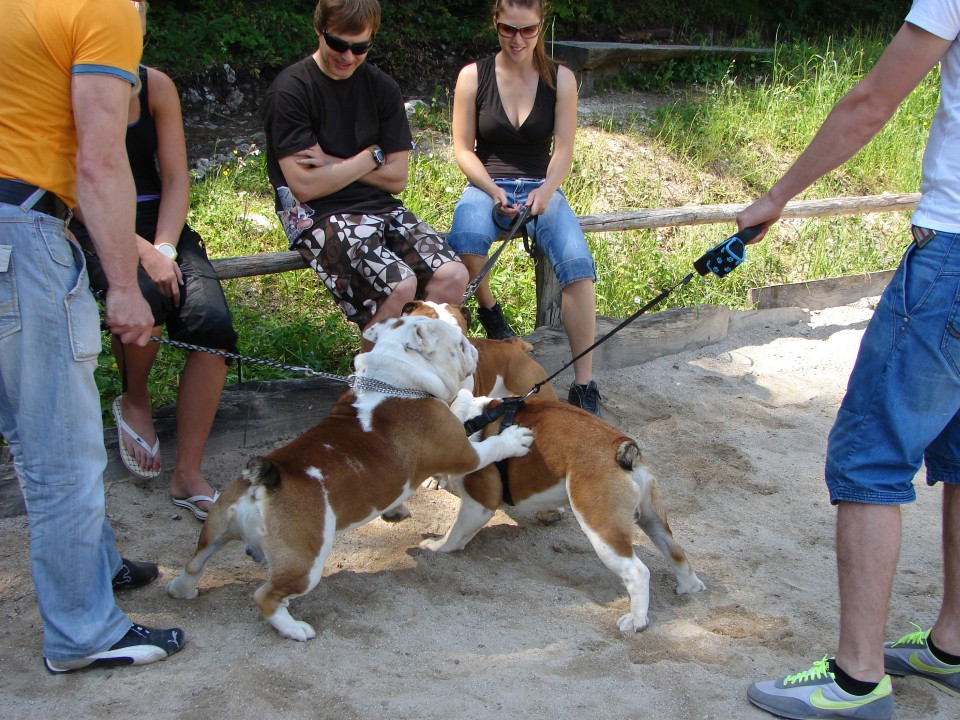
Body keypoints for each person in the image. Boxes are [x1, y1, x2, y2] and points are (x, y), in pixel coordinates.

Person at [737, 1, 960, 717]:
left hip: (953, 255)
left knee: (869, 454)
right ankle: (952, 644)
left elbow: (871, 102)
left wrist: (777, 196)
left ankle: (857, 679)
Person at [0, 0, 183, 672]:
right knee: (64, 457)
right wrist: (126, 288)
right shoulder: (103, 7)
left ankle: (96, 567)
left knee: (30, 433)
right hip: (21, 234)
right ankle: (83, 634)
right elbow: (101, 161)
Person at [70, 0, 238, 521]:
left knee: (212, 324)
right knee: (142, 301)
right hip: (97, 221)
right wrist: (139, 251)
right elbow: (76, 183)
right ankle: (135, 398)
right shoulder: (73, 82)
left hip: (161, 221)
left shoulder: (156, 85)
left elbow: (176, 179)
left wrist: (165, 246)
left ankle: (188, 472)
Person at [260, 0, 468, 351]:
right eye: (337, 43)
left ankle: (421, 372)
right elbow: (305, 186)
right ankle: (371, 386)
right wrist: (371, 157)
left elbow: (397, 178)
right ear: (318, 30)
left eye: (360, 48)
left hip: (378, 206)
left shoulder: (382, 88)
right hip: (315, 215)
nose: (348, 56)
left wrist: (330, 162)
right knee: (398, 283)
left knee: (452, 275)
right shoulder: (290, 91)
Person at [446, 0, 601, 416]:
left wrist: (548, 190)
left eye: (528, 30)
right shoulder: (472, 77)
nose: (518, 39)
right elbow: (462, 149)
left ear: (541, 26)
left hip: (541, 183)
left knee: (577, 266)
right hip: (486, 179)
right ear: (494, 24)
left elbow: (564, 149)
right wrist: (492, 189)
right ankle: (489, 308)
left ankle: (584, 383)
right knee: (466, 239)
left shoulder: (561, 79)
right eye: (507, 30)